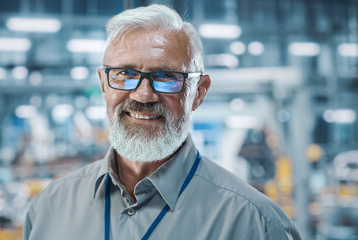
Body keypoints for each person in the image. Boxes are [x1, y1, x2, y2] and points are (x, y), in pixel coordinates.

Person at [22, 4, 302, 240]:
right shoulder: (50, 208)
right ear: (104, 85)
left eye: (167, 77)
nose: (143, 95)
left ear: (199, 92)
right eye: (124, 74)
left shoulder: (256, 224)